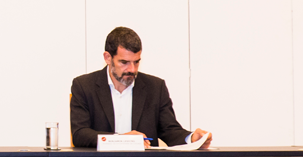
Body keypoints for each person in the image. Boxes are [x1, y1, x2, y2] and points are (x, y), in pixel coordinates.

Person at [70, 26, 212, 148]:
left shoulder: (155, 87)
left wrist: (192, 138)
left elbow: (169, 130)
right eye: (124, 62)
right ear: (108, 58)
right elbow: (80, 134)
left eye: (136, 62)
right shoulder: (84, 86)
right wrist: (122, 140)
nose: (132, 69)